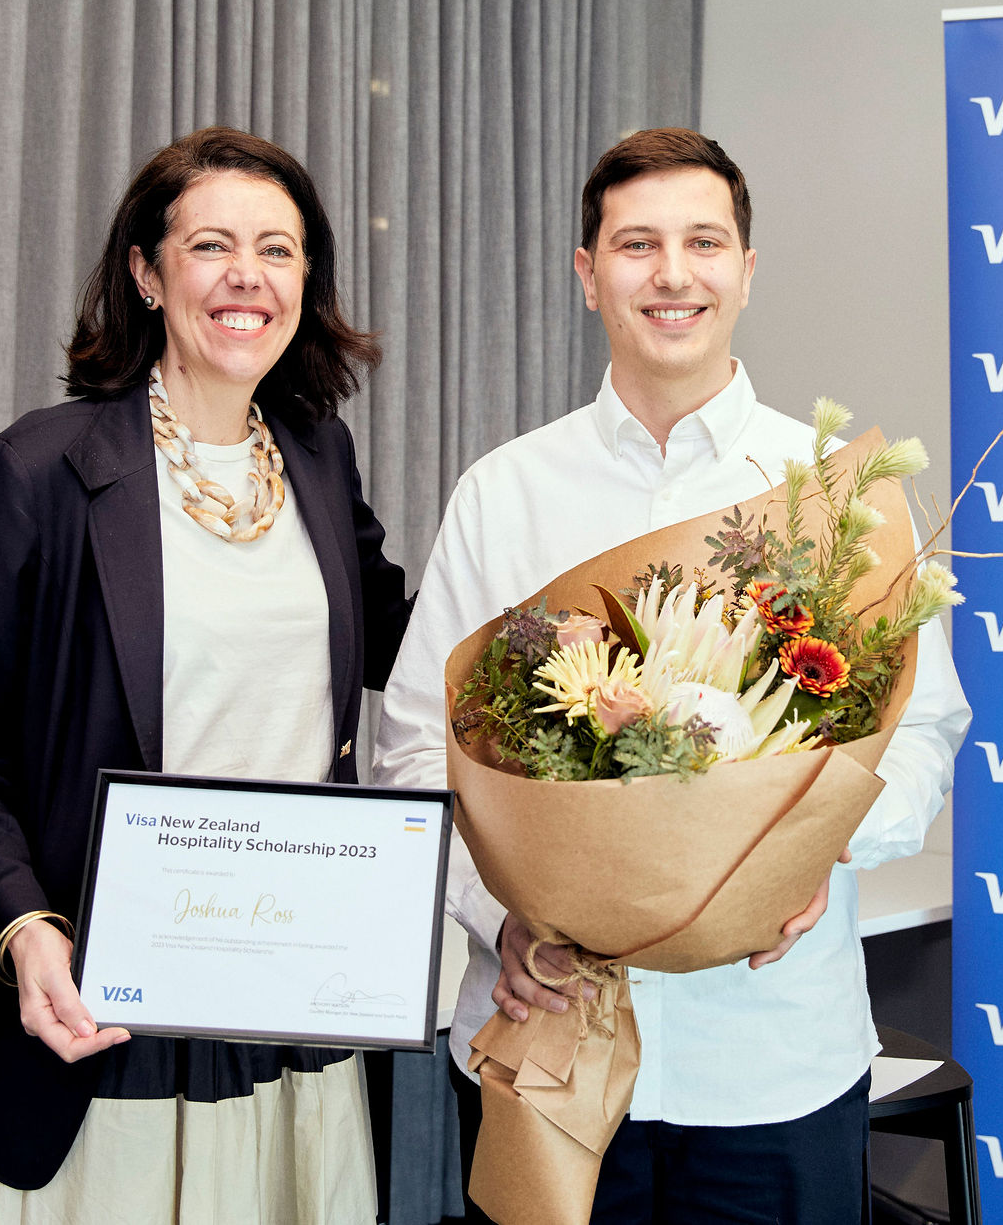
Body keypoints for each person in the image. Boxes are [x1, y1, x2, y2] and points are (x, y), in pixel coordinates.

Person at [373, 127, 970, 1222]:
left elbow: (921, 734)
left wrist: (815, 850)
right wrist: (491, 918)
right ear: (586, 272)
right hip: (547, 1043)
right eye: (635, 244)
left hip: (771, 1058)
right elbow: (416, 746)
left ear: (747, 269)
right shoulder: (503, 494)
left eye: (703, 241)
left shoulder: (829, 496)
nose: (671, 273)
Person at [0, 127, 413, 1222]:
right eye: (212, 246)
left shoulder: (317, 455)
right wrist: (22, 931)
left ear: (306, 280)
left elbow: (403, 648)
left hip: (288, 1014)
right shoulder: (36, 473)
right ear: (145, 271)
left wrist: (574, 654)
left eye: (278, 250)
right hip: (94, 1022)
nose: (247, 277)